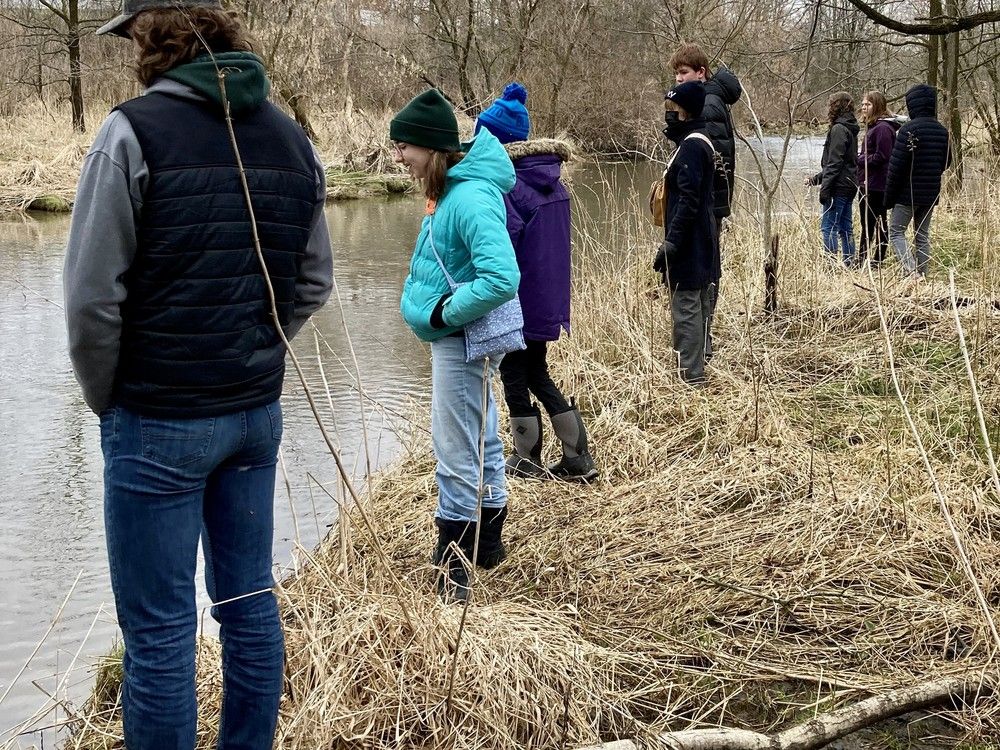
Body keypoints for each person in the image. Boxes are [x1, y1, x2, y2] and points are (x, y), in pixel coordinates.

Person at [63, 2, 333, 748]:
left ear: (152, 35)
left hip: (157, 418)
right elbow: (313, 281)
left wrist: (107, 396)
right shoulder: (293, 140)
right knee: (249, 604)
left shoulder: (131, 132)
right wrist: (255, 348)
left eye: (132, 36)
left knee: (159, 633)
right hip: (255, 416)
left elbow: (90, 301)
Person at [392, 88, 521, 601]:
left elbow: (502, 277)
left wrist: (443, 313)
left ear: (430, 147)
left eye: (404, 146)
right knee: (481, 433)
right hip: (461, 336)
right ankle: (488, 544)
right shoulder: (449, 189)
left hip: (461, 337)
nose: (398, 157)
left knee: (455, 446)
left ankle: (454, 565)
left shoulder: (466, 198)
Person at [474, 82, 598, 482]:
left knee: (514, 374)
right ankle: (577, 457)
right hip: (547, 299)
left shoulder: (509, 187)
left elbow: (501, 249)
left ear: (494, 141)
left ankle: (527, 458)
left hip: (519, 300)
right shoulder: (551, 180)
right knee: (536, 372)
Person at [670, 42, 741, 361]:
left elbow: (708, 160)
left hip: (705, 207)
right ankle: (700, 347)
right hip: (710, 204)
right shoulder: (708, 99)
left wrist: (703, 206)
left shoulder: (708, 102)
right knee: (706, 273)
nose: (678, 79)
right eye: (676, 73)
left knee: (702, 276)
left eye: (684, 72)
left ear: (701, 72)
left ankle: (700, 350)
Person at [653, 81, 719, 385]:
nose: (668, 114)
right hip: (701, 238)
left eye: (673, 109)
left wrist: (671, 243)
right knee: (699, 301)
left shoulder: (692, 146)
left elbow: (688, 201)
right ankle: (699, 365)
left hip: (689, 243)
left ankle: (690, 377)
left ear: (685, 111)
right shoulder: (699, 140)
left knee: (687, 307)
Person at [885, 84, 951, 280]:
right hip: (931, 193)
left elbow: (895, 168)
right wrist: (931, 173)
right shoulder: (942, 131)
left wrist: (888, 198)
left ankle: (912, 272)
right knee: (922, 234)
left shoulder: (908, 130)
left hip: (907, 193)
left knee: (896, 232)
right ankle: (923, 275)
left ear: (912, 104)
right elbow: (947, 162)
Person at [806, 92, 859, 266]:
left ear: (836, 106)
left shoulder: (838, 129)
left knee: (828, 228)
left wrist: (825, 188)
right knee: (846, 228)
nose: (829, 108)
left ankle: (830, 267)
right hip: (849, 185)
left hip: (838, 187)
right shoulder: (850, 128)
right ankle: (850, 264)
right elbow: (842, 163)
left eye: (831, 104)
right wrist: (815, 180)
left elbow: (835, 163)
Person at [856, 91, 901, 267]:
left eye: (867, 104)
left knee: (875, 223)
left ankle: (873, 259)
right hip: (870, 181)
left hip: (876, 184)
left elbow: (882, 156)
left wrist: (858, 159)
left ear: (878, 106)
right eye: (862, 104)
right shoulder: (875, 126)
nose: (863, 107)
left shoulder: (882, 128)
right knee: (869, 223)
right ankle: (867, 259)